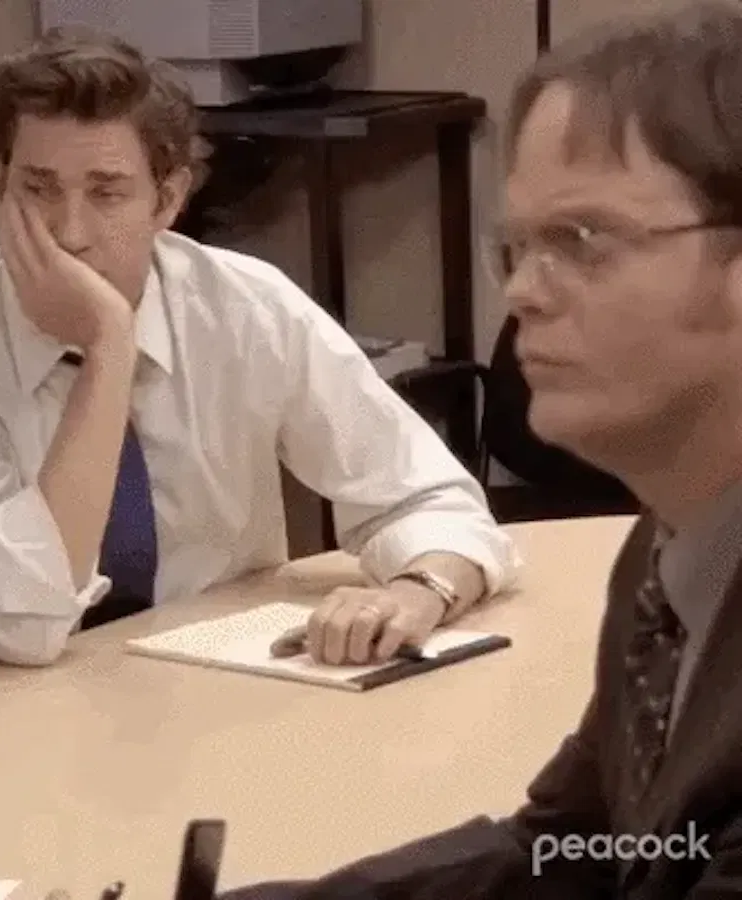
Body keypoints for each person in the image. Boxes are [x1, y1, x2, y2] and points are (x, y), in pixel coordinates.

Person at [221, 3, 742, 899]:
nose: (523, 295)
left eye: (581, 240)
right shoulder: (669, 554)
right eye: (519, 248)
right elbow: (570, 850)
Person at [0, 27, 516, 689]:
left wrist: (420, 588)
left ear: (167, 200)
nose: (69, 233)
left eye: (106, 192)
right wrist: (109, 348)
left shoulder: (247, 308)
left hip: (207, 681)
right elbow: (19, 625)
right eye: (38, 189)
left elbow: (428, 496)